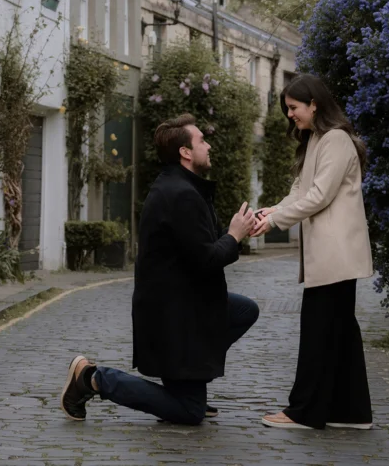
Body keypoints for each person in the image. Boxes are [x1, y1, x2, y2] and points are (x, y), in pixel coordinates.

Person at [61, 113, 260, 425]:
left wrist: (243, 229)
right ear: (185, 152)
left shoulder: (185, 187)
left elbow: (204, 243)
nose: (208, 146)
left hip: (183, 304)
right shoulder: (180, 194)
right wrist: (234, 236)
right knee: (189, 413)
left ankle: (191, 381)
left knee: (243, 310)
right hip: (173, 317)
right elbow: (206, 259)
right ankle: (92, 378)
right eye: (202, 141)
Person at [251, 73, 374, 431]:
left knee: (319, 333)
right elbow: (298, 193)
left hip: (335, 254)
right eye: (287, 109)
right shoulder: (316, 141)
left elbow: (318, 197)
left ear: (314, 104)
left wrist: (273, 222)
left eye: (294, 107)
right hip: (332, 255)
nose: (290, 115)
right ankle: (352, 413)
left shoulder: (335, 140)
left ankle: (303, 412)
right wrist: (268, 212)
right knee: (340, 334)